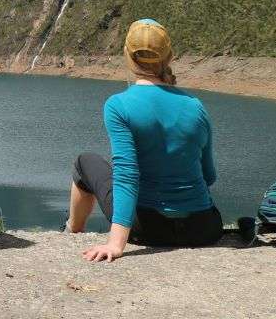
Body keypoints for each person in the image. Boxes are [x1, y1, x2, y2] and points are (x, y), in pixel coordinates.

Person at [66, 19, 222, 262]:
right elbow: (208, 176)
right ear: (169, 57)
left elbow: (127, 174)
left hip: (149, 228)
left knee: (84, 162)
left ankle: (72, 231)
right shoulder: (195, 106)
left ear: (127, 56)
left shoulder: (119, 105)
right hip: (203, 228)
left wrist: (116, 244)